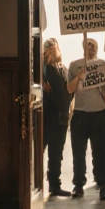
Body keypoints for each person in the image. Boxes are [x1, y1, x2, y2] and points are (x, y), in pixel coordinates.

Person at [67, 37, 105, 200]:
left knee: (101, 152)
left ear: (97, 48)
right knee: (78, 152)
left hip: (100, 113)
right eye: (88, 45)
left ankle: (103, 185)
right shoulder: (75, 65)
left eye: (94, 45)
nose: (91, 47)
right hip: (80, 113)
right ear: (83, 47)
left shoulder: (103, 65)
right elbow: (69, 89)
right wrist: (78, 78)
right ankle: (78, 184)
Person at [41, 38, 71, 196]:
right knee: (38, 151)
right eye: (49, 47)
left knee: (56, 153)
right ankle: (34, 185)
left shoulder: (64, 69)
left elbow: (68, 92)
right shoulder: (41, 68)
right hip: (46, 117)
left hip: (61, 117)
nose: (53, 50)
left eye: (55, 47)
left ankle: (54, 184)